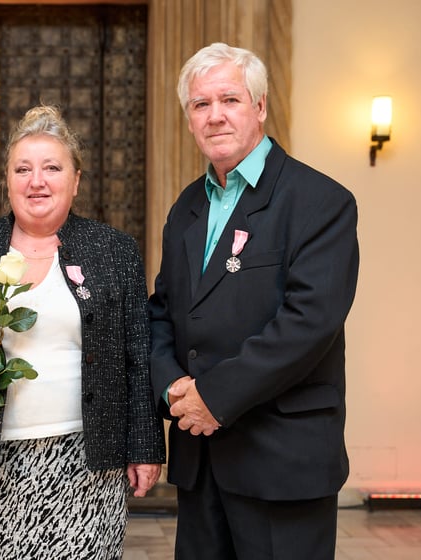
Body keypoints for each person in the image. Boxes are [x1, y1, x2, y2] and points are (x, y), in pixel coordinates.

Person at [0, 105, 165, 559]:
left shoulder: (114, 250)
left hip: (91, 456)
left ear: (75, 181)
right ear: (7, 181)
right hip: (5, 455)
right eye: (23, 169)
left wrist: (146, 446)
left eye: (52, 168)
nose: (37, 181)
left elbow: (138, 354)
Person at [149, 42, 359, 560]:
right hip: (202, 462)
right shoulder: (187, 207)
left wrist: (213, 397)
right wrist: (173, 386)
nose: (214, 115)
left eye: (230, 100)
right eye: (201, 105)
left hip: (281, 461)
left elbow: (308, 324)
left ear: (260, 106)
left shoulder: (320, 202)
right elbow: (162, 311)